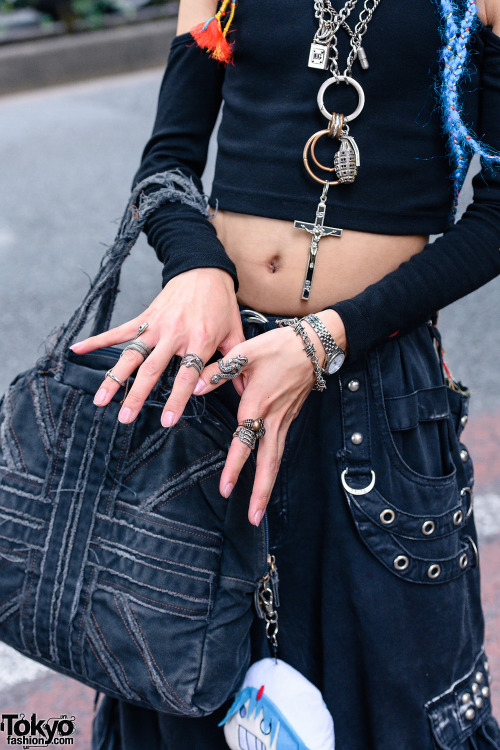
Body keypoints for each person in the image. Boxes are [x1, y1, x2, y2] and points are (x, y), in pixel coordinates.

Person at [69, 0, 500, 747]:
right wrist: (195, 266)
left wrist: (324, 341)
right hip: (217, 376)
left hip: (377, 397)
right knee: (179, 692)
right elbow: (166, 161)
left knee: (392, 708)